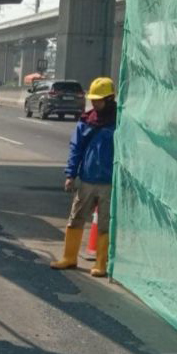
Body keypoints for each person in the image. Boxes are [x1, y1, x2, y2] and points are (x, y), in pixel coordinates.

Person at [50, 77, 117, 277]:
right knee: (76, 218)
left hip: (109, 182)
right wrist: (71, 174)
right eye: (93, 100)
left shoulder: (119, 123)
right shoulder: (86, 121)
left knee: (105, 223)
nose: (95, 103)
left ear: (110, 98)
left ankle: (101, 264)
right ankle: (69, 258)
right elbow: (76, 149)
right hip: (87, 179)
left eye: (99, 100)